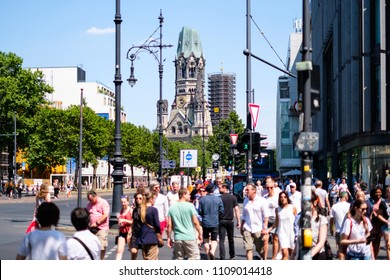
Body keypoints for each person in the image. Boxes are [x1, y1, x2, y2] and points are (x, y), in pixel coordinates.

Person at [167, 188, 203, 260]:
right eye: (188, 194)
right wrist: (200, 234)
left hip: (178, 237)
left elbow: (169, 225)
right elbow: (196, 222)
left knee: (179, 258)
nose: (190, 196)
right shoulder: (190, 206)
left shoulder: (172, 207)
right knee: (194, 258)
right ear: (183, 195)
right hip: (189, 237)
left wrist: (169, 238)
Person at [264, 191, 297, 260]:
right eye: (281, 197)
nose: (283, 199)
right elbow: (276, 222)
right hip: (282, 233)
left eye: (285, 197)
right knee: (284, 252)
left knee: (292, 253)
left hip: (291, 233)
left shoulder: (292, 208)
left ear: (287, 198)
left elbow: (296, 221)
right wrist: (268, 229)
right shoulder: (277, 209)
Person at [241, 183, 269, 260]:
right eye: (245, 190)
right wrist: (241, 226)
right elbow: (244, 215)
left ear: (254, 191)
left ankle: (264, 259)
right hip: (247, 227)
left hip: (258, 228)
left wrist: (265, 228)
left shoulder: (262, 201)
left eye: (247, 190)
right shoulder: (245, 201)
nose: (246, 191)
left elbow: (266, 215)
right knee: (248, 248)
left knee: (260, 249)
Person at [199, 184, 224, 260]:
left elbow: (200, 211)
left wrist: (204, 215)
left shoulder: (202, 199)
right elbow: (222, 211)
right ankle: (212, 251)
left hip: (205, 221)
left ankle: (207, 254)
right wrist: (217, 215)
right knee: (214, 239)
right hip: (214, 222)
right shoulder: (218, 199)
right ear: (213, 190)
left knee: (206, 239)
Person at [218, 183, 240, 260]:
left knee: (221, 240)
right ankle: (232, 255)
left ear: (224, 188)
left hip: (221, 220)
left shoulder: (219, 198)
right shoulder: (233, 197)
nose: (219, 189)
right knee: (231, 239)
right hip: (230, 220)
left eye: (220, 188)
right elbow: (237, 210)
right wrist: (238, 221)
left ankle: (222, 257)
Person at [86, 190, 110, 260]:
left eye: (91, 199)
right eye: (89, 200)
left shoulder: (103, 202)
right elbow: (87, 215)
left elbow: (105, 215)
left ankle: (101, 260)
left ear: (95, 196)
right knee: (92, 246)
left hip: (102, 227)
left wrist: (97, 223)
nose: (90, 201)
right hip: (92, 228)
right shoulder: (89, 205)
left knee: (102, 246)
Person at [137, 191, 161, 260]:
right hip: (151, 237)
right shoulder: (153, 210)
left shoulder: (140, 210)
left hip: (143, 237)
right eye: (154, 199)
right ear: (150, 199)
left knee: (146, 258)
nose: (154, 201)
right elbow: (157, 224)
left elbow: (138, 224)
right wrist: (158, 233)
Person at [367, 186, 389, 259]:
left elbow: (385, 212)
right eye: (376, 192)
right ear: (373, 193)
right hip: (371, 223)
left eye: (379, 192)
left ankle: (375, 257)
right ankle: (371, 257)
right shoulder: (369, 200)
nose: (378, 194)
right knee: (370, 242)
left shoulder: (383, 201)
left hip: (380, 223)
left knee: (377, 242)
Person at [308, 190, 329, 259]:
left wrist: (309, 256)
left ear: (314, 202)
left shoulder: (321, 219)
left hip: (317, 255)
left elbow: (321, 243)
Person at [329, 191, 350, 259]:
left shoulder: (334, 206)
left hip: (338, 231)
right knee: (347, 250)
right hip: (348, 231)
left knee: (340, 249)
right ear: (346, 197)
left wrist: (331, 229)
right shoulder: (350, 206)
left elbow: (331, 219)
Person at [263, 176, 279, 259]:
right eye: (267, 187)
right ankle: (264, 258)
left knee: (275, 239)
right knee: (265, 239)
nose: (269, 188)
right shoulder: (264, 197)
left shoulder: (278, 196)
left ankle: (273, 258)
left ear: (273, 184)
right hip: (267, 220)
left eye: (270, 187)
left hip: (275, 220)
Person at [115, 195, 133, 260]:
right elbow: (120, 223)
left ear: (128, 202)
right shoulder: (121, 211)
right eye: (122, 202)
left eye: (124, 202)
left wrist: (124, 220)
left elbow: (133, 222)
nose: (123, 204)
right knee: (119, 250)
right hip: (122, 232)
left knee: (132, 251)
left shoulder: (131, 210)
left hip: (129, 232)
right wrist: (119, 219)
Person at [130, 192, 143, 260]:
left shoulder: (145, 210)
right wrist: (130, 231)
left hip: (143, 234)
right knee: (133, 251)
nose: (138, 199)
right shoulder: (134, 210)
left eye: (140, 198)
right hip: (135, 234)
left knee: (145, 255)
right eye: (137, 198)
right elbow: (133, 221)